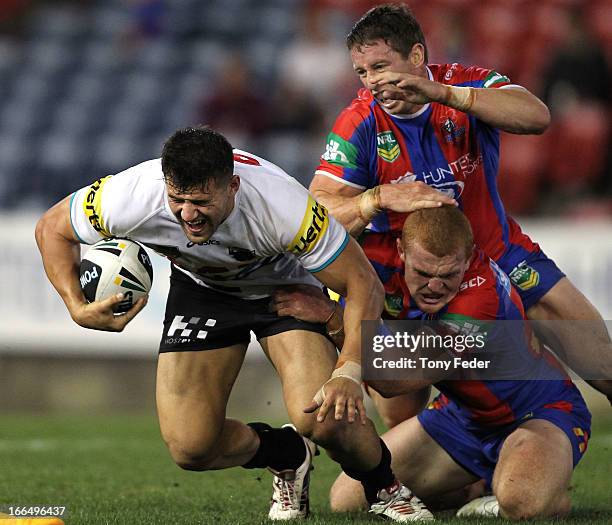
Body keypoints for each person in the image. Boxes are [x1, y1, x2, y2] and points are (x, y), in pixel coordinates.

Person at [34, 126, 434, 522]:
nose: (188, 215)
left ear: (234, 186)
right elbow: (52, 228)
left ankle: (386, 489)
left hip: (286, 288)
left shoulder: (284, 207)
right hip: (203, 289)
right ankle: (286, 454)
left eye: (201, 202)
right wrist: (75, 306)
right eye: (177, 200)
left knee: (322, 416)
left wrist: (348, 370)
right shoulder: (130, 195)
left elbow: (363, 284)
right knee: (190, 447)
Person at [308, 3, 612, 400]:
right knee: (400, 403)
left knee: (602, 363)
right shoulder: (359, 121)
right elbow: (317, 214)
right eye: (362, 73)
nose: (373, 84)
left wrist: (445, 95)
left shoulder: (464, 84)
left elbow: (537, 117)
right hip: (410, 279)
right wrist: (377, 197)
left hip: (497, 252)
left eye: (381, 67)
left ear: (416, 56)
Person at [277, 206, 592, 519]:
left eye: (448, 275)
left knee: (523, 503)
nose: (435, 287)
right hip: (462, 418)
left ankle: (530, 489)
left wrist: (330, 316)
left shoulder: (481, 300)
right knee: (348, 497)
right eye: (424, 273)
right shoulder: (378, 258)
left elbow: (394, 380)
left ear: (468, 259)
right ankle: (477, 487)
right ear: (401, 250)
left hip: (540, 412)